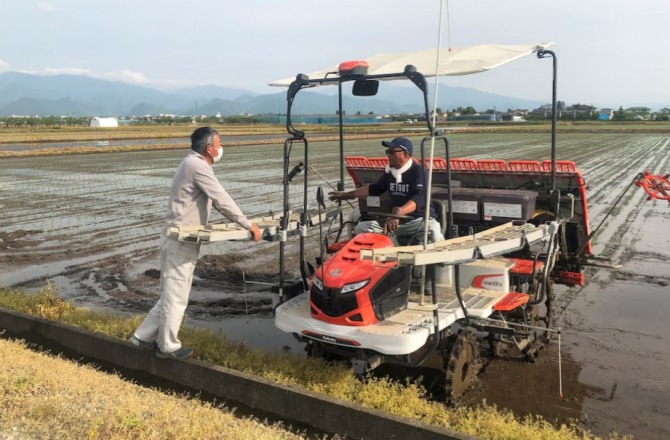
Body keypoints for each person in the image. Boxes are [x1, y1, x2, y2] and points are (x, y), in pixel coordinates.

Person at [130, 127, 262, 360]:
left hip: (181, 238)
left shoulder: (192, 164)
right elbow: (221, 198)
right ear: (209, 148)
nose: (221, 149)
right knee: (176, 296)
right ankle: (167, 348)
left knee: (171, 293)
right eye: (219, 144)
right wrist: (247, 224)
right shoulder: (198, 166)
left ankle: (141, 337)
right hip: (180, 240)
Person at [329, 137, 444, 244]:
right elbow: (374, 189)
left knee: (433, 230)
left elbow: (420, 197)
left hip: (418, 221)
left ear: (404, 154)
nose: (388, 155)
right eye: (387, 152)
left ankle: (440, 262)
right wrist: (346, 195)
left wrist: (399, 212)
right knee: (361, 228)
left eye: (391, 152)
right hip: (395, 223)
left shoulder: (418, 171)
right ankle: (387, 259)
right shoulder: (390, 174)